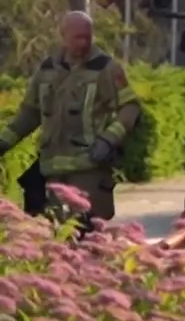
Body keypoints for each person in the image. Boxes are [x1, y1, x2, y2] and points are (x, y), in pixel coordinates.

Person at [0, 12, 142, 223]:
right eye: (77, 37)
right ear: (62, 35)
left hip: (89, 171)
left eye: (87, 36)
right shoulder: (47, 70)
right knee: (52, 238)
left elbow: (130, 107)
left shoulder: (105, 68)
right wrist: (3, 142)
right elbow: (29, 113)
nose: (83, 43)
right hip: (52, 172)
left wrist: (108, 139)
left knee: (87, 235)